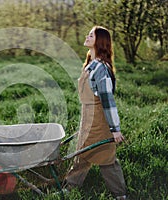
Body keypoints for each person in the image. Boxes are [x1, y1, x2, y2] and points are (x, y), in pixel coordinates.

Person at [62, 26, 127, 200]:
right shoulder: (91, 64)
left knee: (106, 159)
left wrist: (115, 129)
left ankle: (120, 195)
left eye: (91, 35)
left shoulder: (101, 69)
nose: (87, 36)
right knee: (81, 154)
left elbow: (108, 101)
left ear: (99, 41)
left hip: (99, 120)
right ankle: (70, 188)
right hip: (88, 118)